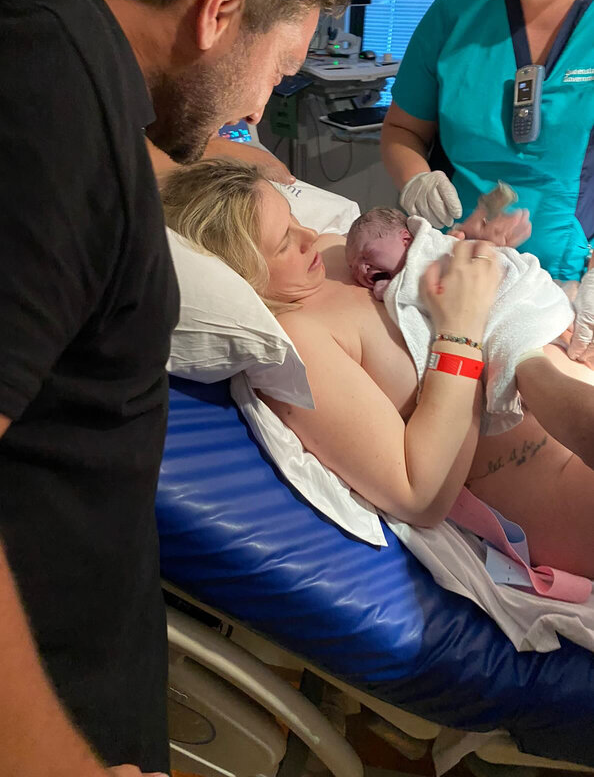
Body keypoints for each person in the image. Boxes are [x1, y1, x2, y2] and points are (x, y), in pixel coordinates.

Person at [0, 0, 355, 776]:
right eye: (278, 70)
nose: (254, 113)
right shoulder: (37, 84)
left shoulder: (50, 47)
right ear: (221, 6)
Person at [161, 158, 594, 580]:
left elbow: (429, 261)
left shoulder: (331, 249)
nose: (311, 234)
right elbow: (419, 494)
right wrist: (462, 328)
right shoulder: (300, 340)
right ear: (243, 274)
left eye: (293, 217)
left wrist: (471, 249)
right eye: (283, 243)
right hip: (557, 478)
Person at [380, 0, 594, 368]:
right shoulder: (457, 12)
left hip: (576, 285)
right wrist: (416, 179)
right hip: (461, 264)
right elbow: (402, 131)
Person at [345, 206, 594, 465]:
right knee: (537, 367)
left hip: (527, 297)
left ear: (406, 239)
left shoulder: (425, 254)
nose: (361, 269)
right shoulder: (428, 252)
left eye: (367, 254)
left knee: (529, 367)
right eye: (353, 266)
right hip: (547, 310)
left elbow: (435, 286)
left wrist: (392, 287)